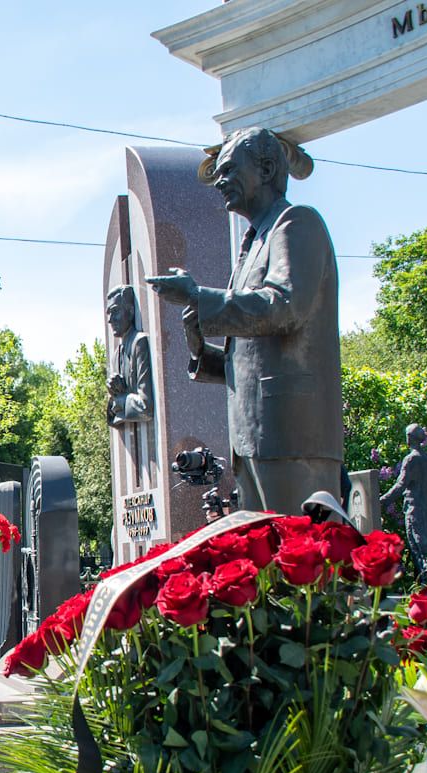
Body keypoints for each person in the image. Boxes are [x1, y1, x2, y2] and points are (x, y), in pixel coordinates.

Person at [146, 126, 342, 515]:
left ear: (267, 168)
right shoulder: (255, 239)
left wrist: (200, 297)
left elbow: (284, 306)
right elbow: (252, 357)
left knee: (300, 562)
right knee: (269, 565)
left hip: (292, 436)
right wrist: (201, 346)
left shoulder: (296, 223)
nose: (219, 180)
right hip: (255, 438)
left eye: (229, 169)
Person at [380, 423, 427, 577]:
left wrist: (382, 500)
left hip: (415, 508)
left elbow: (401, 485)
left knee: (419, 546)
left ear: (409, 438)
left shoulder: (411, 459)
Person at [105, 284, 154, 427]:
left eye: (115, 311)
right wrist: (113, 393)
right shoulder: (116, 355)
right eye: (109, 313)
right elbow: (112, 419)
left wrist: (118, 400)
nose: (110, 319)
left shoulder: (139, 343)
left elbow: (146, 407)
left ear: (131, 311)